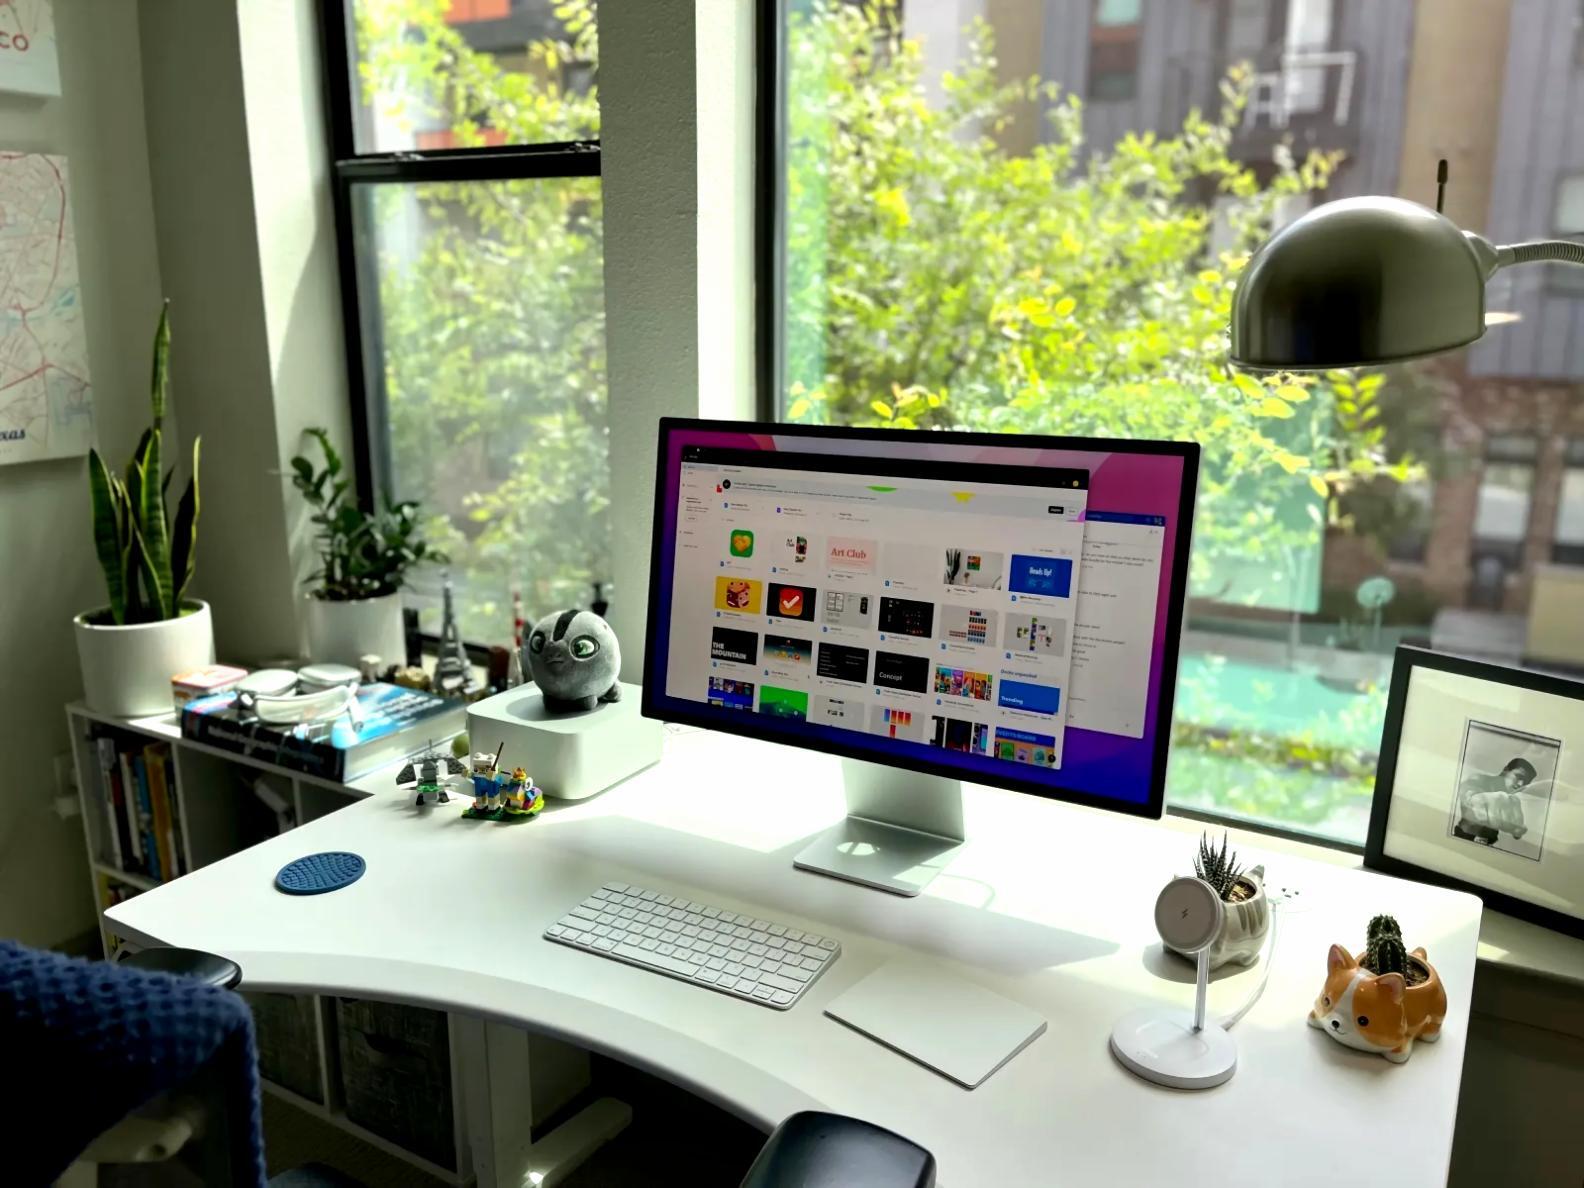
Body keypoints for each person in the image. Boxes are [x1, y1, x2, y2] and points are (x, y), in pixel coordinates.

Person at [1453, 756, 1535, 845]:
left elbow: (1517, 832)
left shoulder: (1511, 800)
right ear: (1506, 770)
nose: (1521, 784)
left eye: (1526, 782)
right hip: (1463, 839)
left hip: (1487, 844)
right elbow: (1469, 794)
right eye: (1519, 777)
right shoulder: (1480, 779)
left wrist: (1516, 829)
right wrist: (1476, 799)